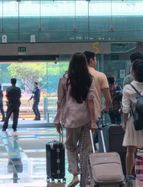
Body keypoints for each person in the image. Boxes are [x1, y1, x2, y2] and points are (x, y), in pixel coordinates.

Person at [54, 52, 97, 187]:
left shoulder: (64, 80)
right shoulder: (89, 79)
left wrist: (57, 120)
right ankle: (85, 181)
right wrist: (94, 121)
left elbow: (60, 102)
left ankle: (75, 174)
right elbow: (91, 101)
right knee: (86, 149)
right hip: (86, 119)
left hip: (71, 118)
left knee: (70, 146)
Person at [83, 51, 111, 122]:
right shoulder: (100, 75)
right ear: (91, 61)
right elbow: (108, 99)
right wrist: (106, 108)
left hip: (78, 115)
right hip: (95, 114)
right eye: (95, 60)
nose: (96, 62)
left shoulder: (76, 76)